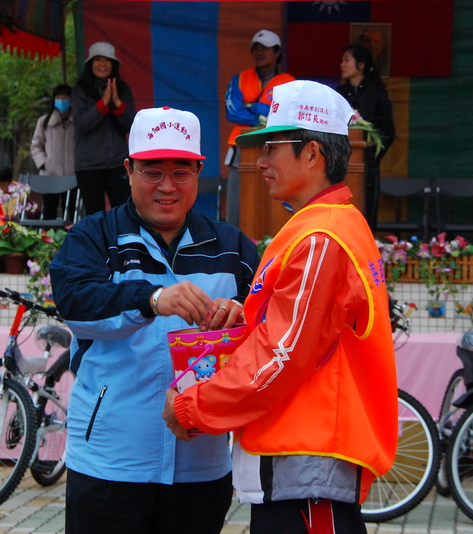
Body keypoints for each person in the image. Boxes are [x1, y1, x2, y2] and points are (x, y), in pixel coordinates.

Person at [164, 80, 398, 534]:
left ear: (311, 154)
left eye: (272, 147)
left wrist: (194, 405)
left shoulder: (320, 237)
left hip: (307, 466)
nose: (260, 161)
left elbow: (282, 354)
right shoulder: (327, 225)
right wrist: (249, 319)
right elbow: (296, 335)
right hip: (301, 464)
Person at [50, 106, 260, 534]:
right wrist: (152, 299)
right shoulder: (94, 236)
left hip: (201, 464)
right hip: (109, 461)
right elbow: (75, 303)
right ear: (128, 170)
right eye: (152, 172)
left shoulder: (233, 246)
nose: (167, 186)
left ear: (199, 172)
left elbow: (270, 330)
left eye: (181, 172)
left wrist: (243, 317)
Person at [223, 29, 295, 226]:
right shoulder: (239, 79)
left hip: (277, 148)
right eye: (255, 48)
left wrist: (254, 107)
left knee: (273, 203)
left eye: (265, 48)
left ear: (277, 52)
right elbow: (233, 112)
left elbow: (287, 114)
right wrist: (263, 116)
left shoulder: (289, 82)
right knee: (238, 204)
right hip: (241, 147)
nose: (259, 52)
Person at [71, 41, 135, 216]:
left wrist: (117, 103)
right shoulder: (80, 90)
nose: (102, 64)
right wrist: (104, 103)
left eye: (107, 60)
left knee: (123, 213)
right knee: (94, 216)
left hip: (118, 163)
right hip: (89, 165)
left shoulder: (123, 89)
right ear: (90, 64)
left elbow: (132, 125)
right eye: (97, 59)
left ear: (113, 64)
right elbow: (81, 123)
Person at [336, 44, 396, 227]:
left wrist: (371, 158)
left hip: (367, 166)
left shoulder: (376, 94)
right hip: (339, 165)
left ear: (361, 65)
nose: (342, 65)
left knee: (366, 212)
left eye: (347, 60)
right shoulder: (338, 94)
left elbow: (388, 132)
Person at [31, 84, 78, 221]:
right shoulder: (44, 121)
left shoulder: (77, 122)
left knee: (70, 212)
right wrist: (43, 163)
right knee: (49, 212)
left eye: (65, 98)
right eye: (59, 98)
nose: (62, 101)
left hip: (72, 175)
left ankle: (70, 234)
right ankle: (48, 234)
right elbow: (36, 145)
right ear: (54, 100)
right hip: (49, 175)